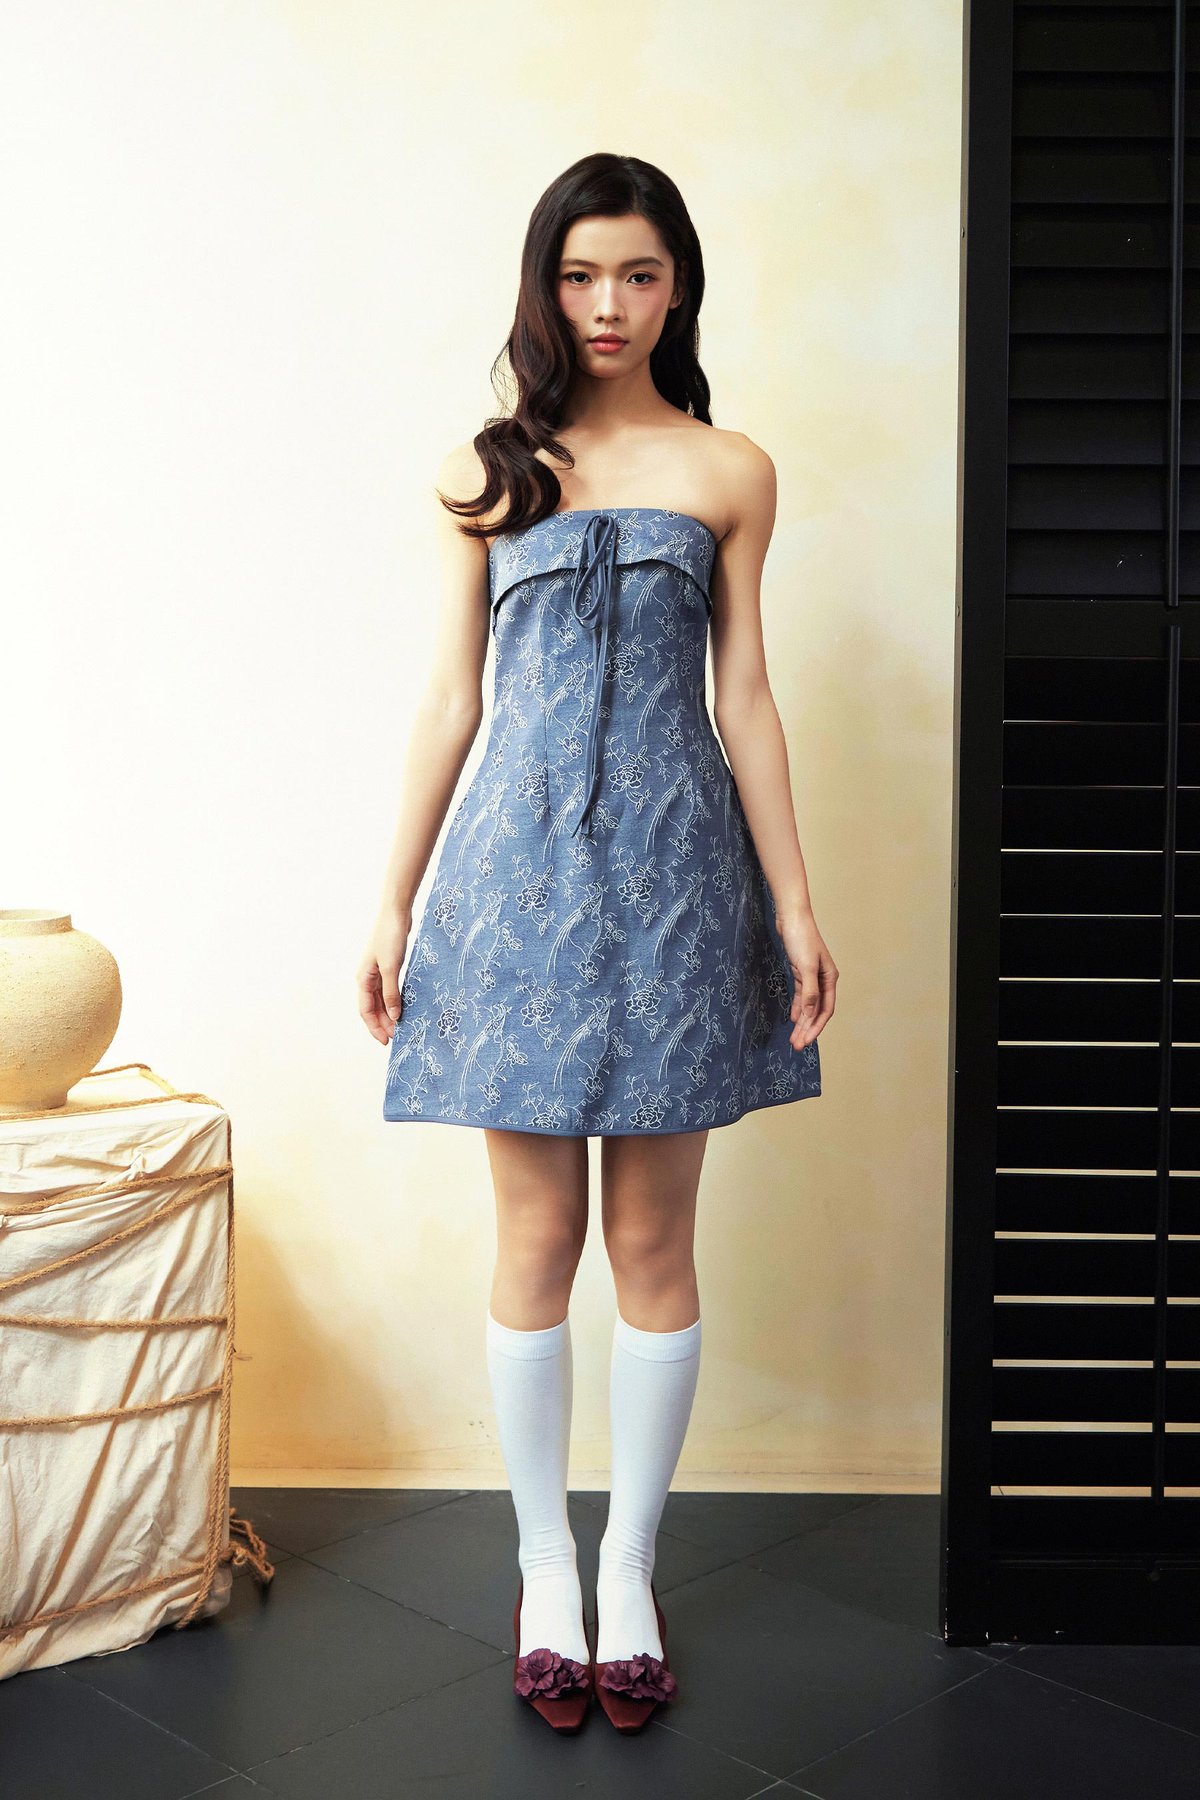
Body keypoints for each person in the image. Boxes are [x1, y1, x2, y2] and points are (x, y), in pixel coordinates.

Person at [357, 151, 837, 1734]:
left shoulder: (731, 470)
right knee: (533, 1241)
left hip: (679, 884)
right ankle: (541, 1565)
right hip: (511, 888)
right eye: (579, 276)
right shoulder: (484, 472)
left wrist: (795, 902)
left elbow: (745, 696)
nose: (608, 304)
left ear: (677, 283)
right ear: (543, 287)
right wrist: (393, 897)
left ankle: (629, 1568)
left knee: (650, 1243)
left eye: (637, 273)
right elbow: (450, 699)